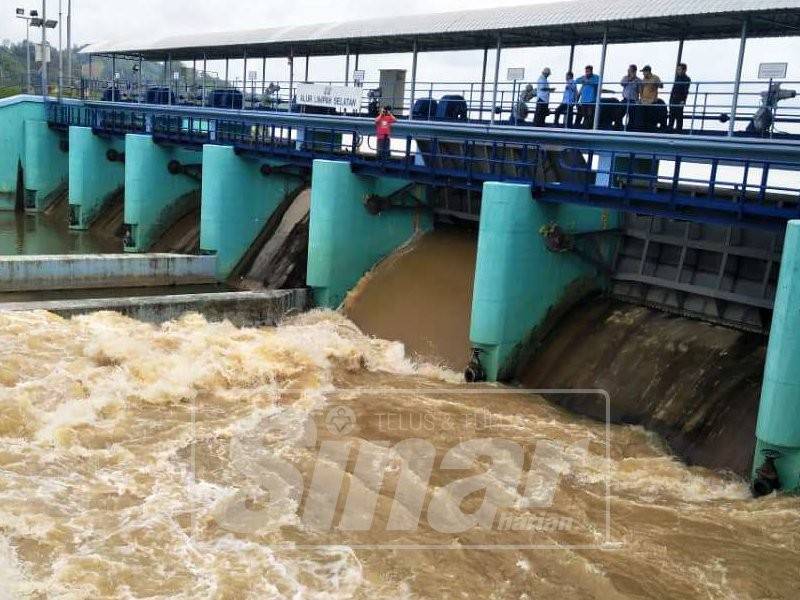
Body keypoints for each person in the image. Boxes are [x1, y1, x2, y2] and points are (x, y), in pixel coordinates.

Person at [668, 63, 691, 132]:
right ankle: (670, 129)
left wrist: (683, 101)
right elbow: (673, 89)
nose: (678, 71)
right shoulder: (677, 77)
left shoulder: (687, 79)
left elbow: (685, 91)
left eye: (679, 69)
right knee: (671, 115)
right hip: (673, 99)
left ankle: (679, 130)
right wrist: (670, 99)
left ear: (684, 70)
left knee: (679, 116)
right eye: (677, 69)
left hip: (680, 100)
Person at [639, 65, 664, 130]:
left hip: (652, 101)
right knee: (644, 116)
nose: (643, 73)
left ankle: (651, 128)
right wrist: (641, 97)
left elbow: (661, 86)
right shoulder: (644, 79)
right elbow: (641, 88)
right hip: (644, 101)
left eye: (644, 72)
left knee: (651, 116)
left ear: (648, 71)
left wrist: (656, 84)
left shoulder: (655, 78)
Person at [620, 64, 642, 129]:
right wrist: (630, 79)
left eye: (629, 69)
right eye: (628, 70)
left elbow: (640, 91)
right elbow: (622, 83)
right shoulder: (625, 77)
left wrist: (640, 100)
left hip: (633, 101)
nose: (628, 71)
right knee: (619, 112)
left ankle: (630, 128)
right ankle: (619, 126)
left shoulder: (639, 80)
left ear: (634, 71)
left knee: (632, 116)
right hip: (625, 99)